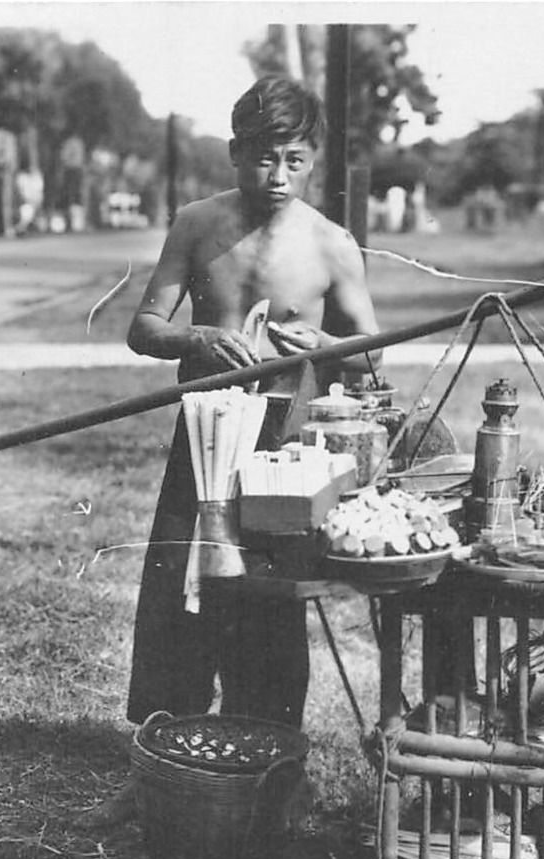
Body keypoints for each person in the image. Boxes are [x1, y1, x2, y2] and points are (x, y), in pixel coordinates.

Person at [123, 75, 382, 733]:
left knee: (267, 598)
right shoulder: (196, 224)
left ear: (311, 161)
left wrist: (320, 344)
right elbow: (143, 328)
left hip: (283, 451)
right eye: (264, 157)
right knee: (176, 590)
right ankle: (160, 748)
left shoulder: (330, 243)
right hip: (203, 434)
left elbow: (372, 353)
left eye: (294, 160)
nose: (277, 175)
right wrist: (198, 337)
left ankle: (264, 755)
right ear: (236, 153)